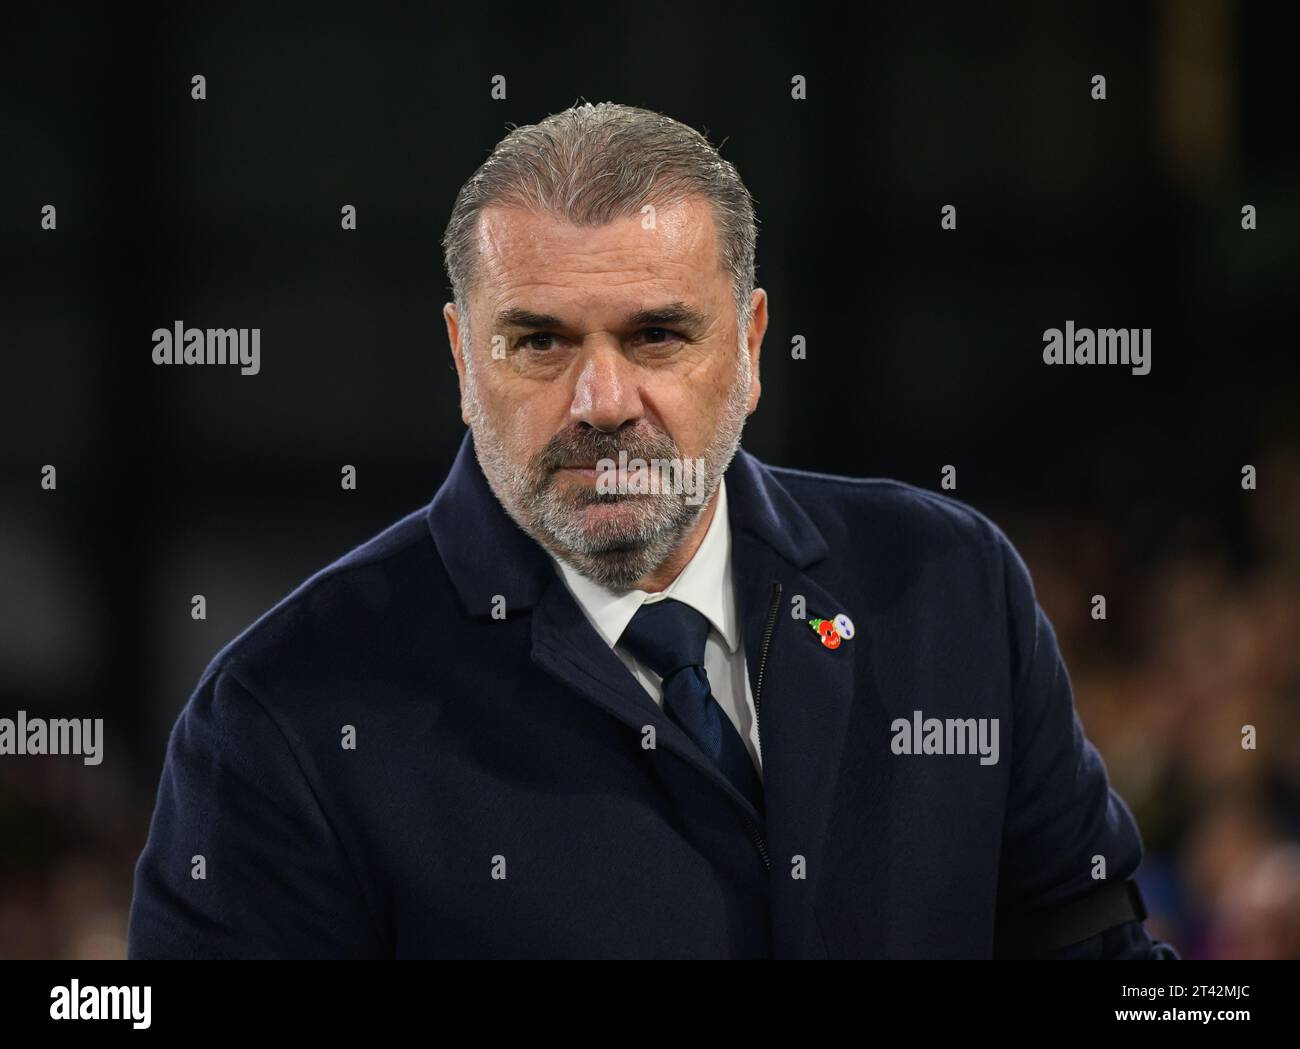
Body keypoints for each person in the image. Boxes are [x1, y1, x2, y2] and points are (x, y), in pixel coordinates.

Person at [128, 102, 1177, 959]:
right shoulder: (280, 714)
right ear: (461, 358)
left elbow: (1091, 950)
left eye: (658, 334)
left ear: (752, 344)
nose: (602, 398)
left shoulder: (948, 587)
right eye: (538, 340)